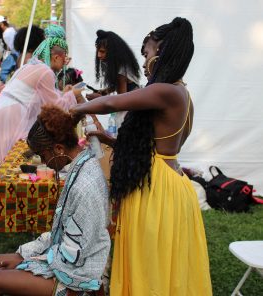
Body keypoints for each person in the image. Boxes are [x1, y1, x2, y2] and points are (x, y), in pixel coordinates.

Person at [69, 17, 212, 295]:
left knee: (149, 263)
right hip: (170, 182)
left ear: (160, 52)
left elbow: (111, 102)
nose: (144, 63)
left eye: (146, 53)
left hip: (155, 188)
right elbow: (157, 143)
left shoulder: (165, 91)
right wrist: (107, 138)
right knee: (163, 261)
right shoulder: (182, 93)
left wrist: (74, 109)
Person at [0, 105, 110, 296]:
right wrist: (33, 252)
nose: (43, 161)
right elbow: (62, 233)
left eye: (42, 155)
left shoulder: (84, 185)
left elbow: (75, 255)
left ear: (58, 148)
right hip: (65, 256)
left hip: (78, 276)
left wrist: (35, 259)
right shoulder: (80, 165)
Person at [0, 25, 84, 191]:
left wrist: (64, 93)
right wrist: (73, 94)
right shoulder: (45, 71)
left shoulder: (32, 65)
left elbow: (43, 97)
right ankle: (4, 195)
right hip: (10, 114)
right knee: (8, 162)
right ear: (57, 57)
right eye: (64, 59)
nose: (64, 64)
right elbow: (55, 106)